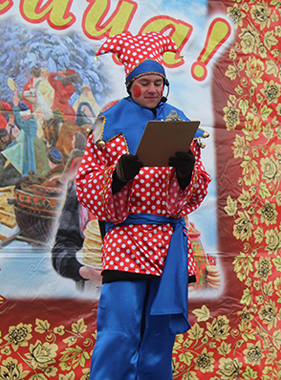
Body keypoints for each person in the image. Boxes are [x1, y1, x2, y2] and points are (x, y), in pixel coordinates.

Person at [75, 31, 211, 380]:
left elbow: (197, 189)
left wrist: (186, 173)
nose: (152, 89)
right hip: (126, 240)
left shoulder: (177, 121)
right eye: (144, 83)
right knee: (118, 331)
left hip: (167, 243)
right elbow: (85, 182)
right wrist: (117, 176)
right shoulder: (108, 123)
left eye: (158, 83)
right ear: (129, 85)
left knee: (158, 336)